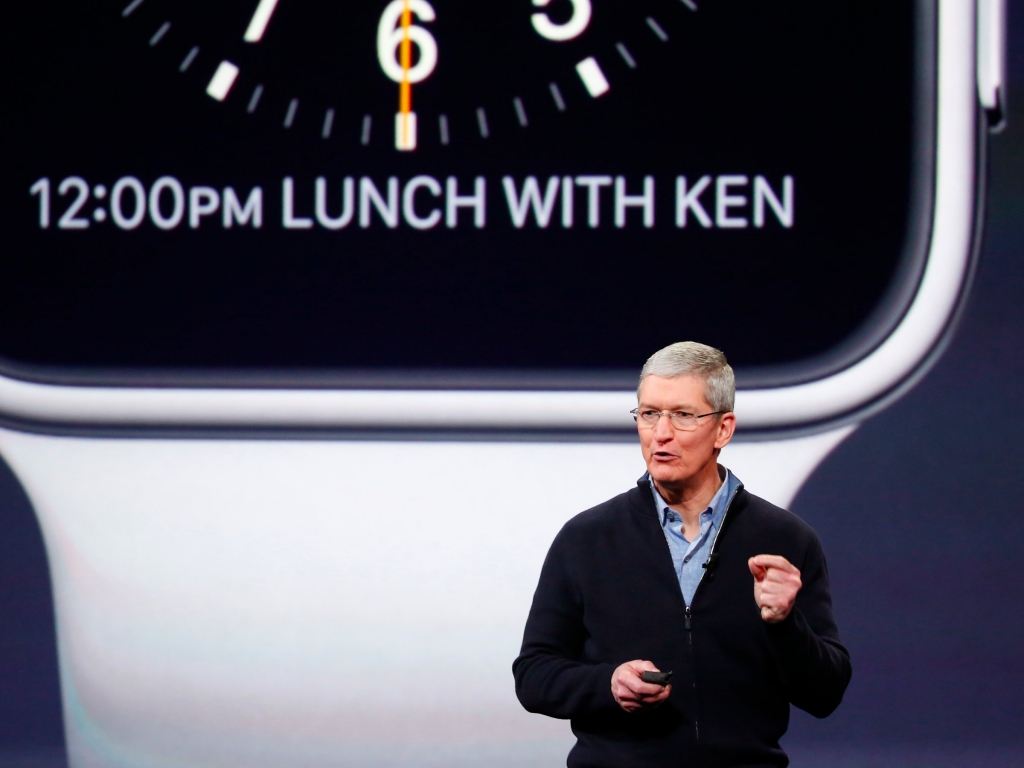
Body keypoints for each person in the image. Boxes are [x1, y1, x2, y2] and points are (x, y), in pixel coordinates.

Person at [513, 341, 851, 768]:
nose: (661, 433)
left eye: (683, 415)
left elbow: (826, 693)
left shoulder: (785, 540)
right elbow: (534, 674)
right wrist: (607, 684)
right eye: (650, 414)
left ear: (723, 429)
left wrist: (786, 625)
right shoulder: (587, 538)